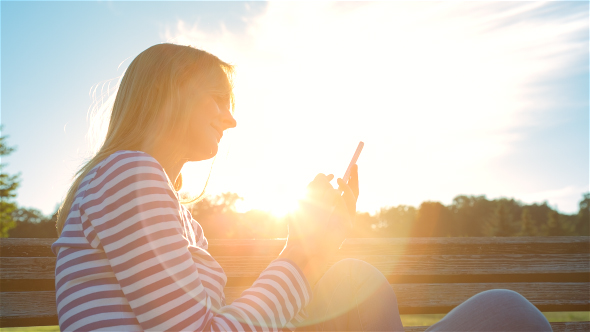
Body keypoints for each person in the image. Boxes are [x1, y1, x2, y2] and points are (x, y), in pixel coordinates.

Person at [53, 43, 552, 332]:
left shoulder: (154, 196)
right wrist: (303, 253)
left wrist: (316, 246)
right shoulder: (129, 175)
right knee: (505, 313)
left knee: (355, 279)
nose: (231, 119)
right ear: (168, 94)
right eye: (217, 99)